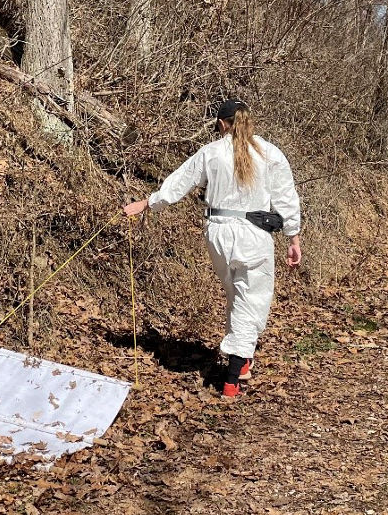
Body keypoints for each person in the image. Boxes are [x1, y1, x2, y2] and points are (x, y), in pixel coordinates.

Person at [123, 98, 302, 398]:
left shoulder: (212, 152)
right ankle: (233, 379)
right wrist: (292, 236)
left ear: (221, 124)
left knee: (236, 294)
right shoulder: (269, 153)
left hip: (217, 233)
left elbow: (180, 182)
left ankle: (242, 361)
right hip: (253, 236)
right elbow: (286, 197)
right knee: (251, 300)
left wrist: (147, 203)